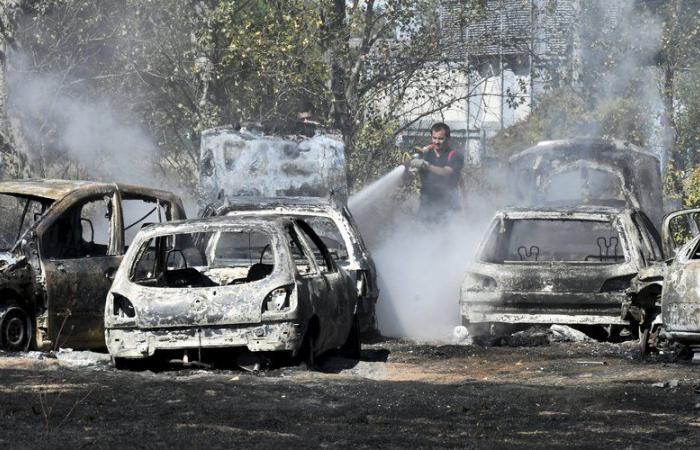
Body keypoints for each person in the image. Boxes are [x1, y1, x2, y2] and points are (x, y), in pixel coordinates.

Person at [408, 122, 464, 221]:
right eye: (434, 138)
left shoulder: (455, 156)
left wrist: (426, 165)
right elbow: (412, 169)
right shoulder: (426, 154)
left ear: (447, 138)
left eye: (440, 139)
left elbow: (446, 172)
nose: (437, 142)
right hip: (426, 208)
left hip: (448, 209)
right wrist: (410, 169)